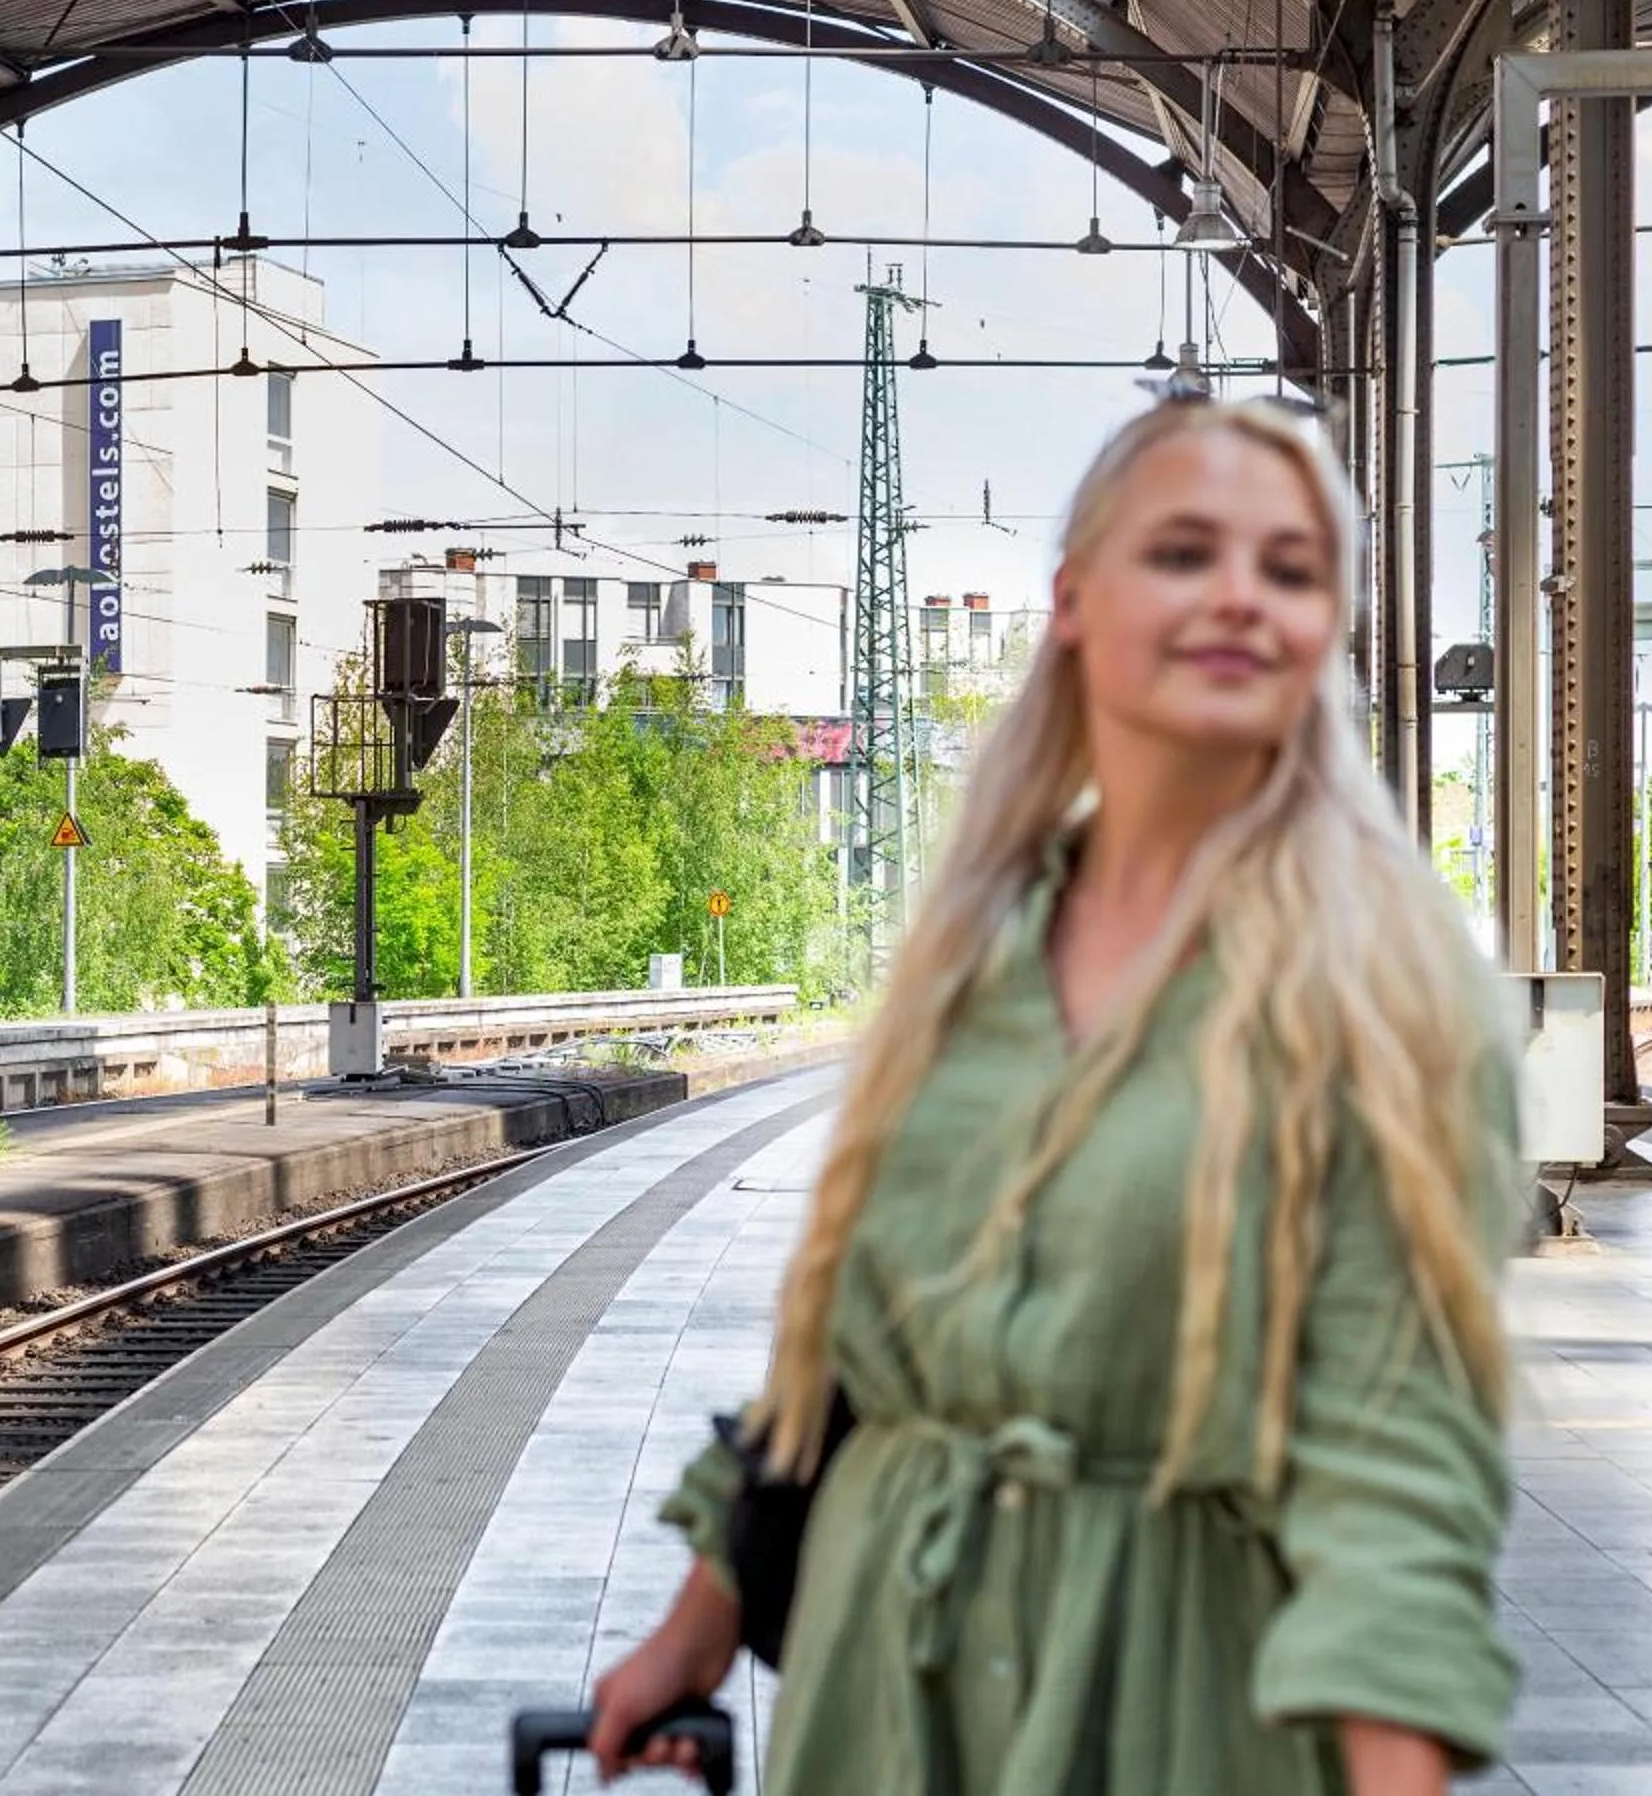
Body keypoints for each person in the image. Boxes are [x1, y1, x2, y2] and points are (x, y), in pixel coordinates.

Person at [587, 398, 1523, 1794]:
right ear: (1075, 600)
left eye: (1289, 569)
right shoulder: (976, 944)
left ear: (1326, 627)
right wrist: (697, 1626)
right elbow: (850, 1351)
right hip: (878, 1692)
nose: (1240, 596)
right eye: (1186, 552)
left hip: (1175, 1700)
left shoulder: (1390, 989)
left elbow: (1396, 1460)